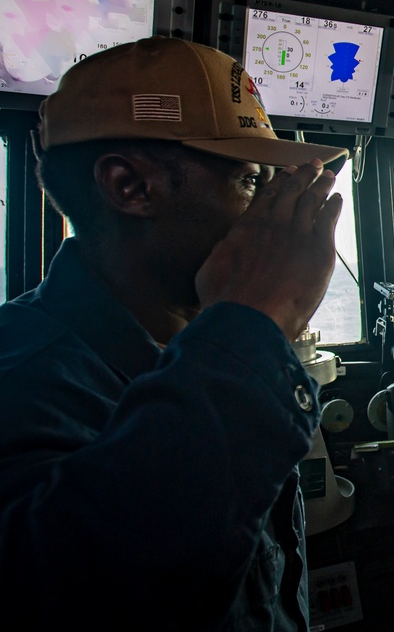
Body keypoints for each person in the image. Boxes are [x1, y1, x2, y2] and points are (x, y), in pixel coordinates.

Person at [0, 36, 350, 630]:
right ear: (131, 187)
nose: (273, 214)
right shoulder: (22, 379)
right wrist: (257, 322)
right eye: (251, 182)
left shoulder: (206, 353)